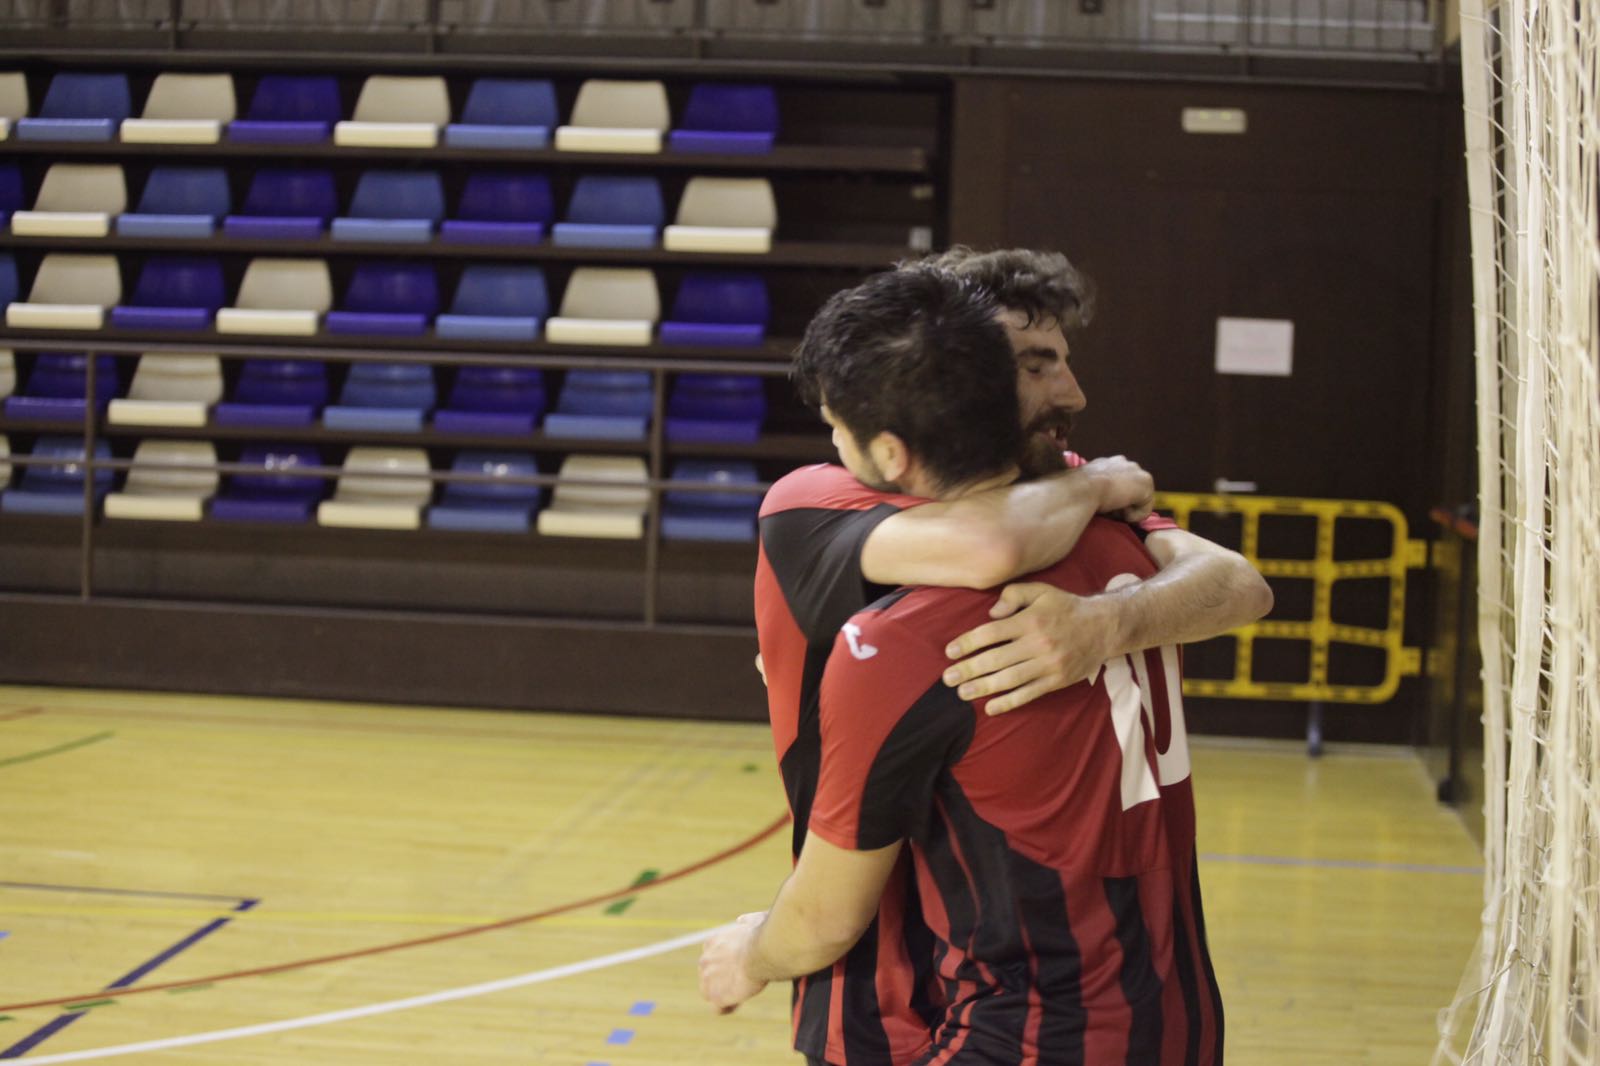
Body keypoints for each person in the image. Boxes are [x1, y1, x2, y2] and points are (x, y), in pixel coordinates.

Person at [705, 266, 1238, 1064]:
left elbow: (1236, 583)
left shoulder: (910, 632)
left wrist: (750, 954)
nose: (1068, 391)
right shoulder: (1106, 528)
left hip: (950, 1003)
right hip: (1171, 1009)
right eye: (1033, 363)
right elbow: (1000, 541)